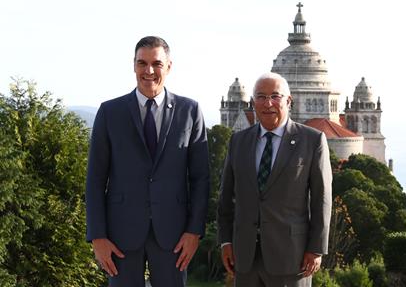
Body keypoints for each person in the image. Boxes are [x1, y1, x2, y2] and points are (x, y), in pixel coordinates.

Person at [85, 36, 210, 287]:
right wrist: (97, 236)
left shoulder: (191, 111)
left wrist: (194, 231)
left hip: (174, 235)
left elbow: (201, 178)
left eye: (157, 64)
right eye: (142, 63)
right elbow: (95, 179)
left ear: (169, 66)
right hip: (120, 234)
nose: (149, 71)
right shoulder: (109, 112)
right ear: (134, 66)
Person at [217, 72, 332, 287]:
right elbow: (226, 198)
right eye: (260, 97)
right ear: (252, 103)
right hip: (245, 258)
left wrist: (316, 248)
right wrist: (225, 241)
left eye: (275, 96)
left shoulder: (312, 140)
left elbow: (322, 199)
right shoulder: (238, 141)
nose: (267, 103)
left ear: (288, 101)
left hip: (293, 258)